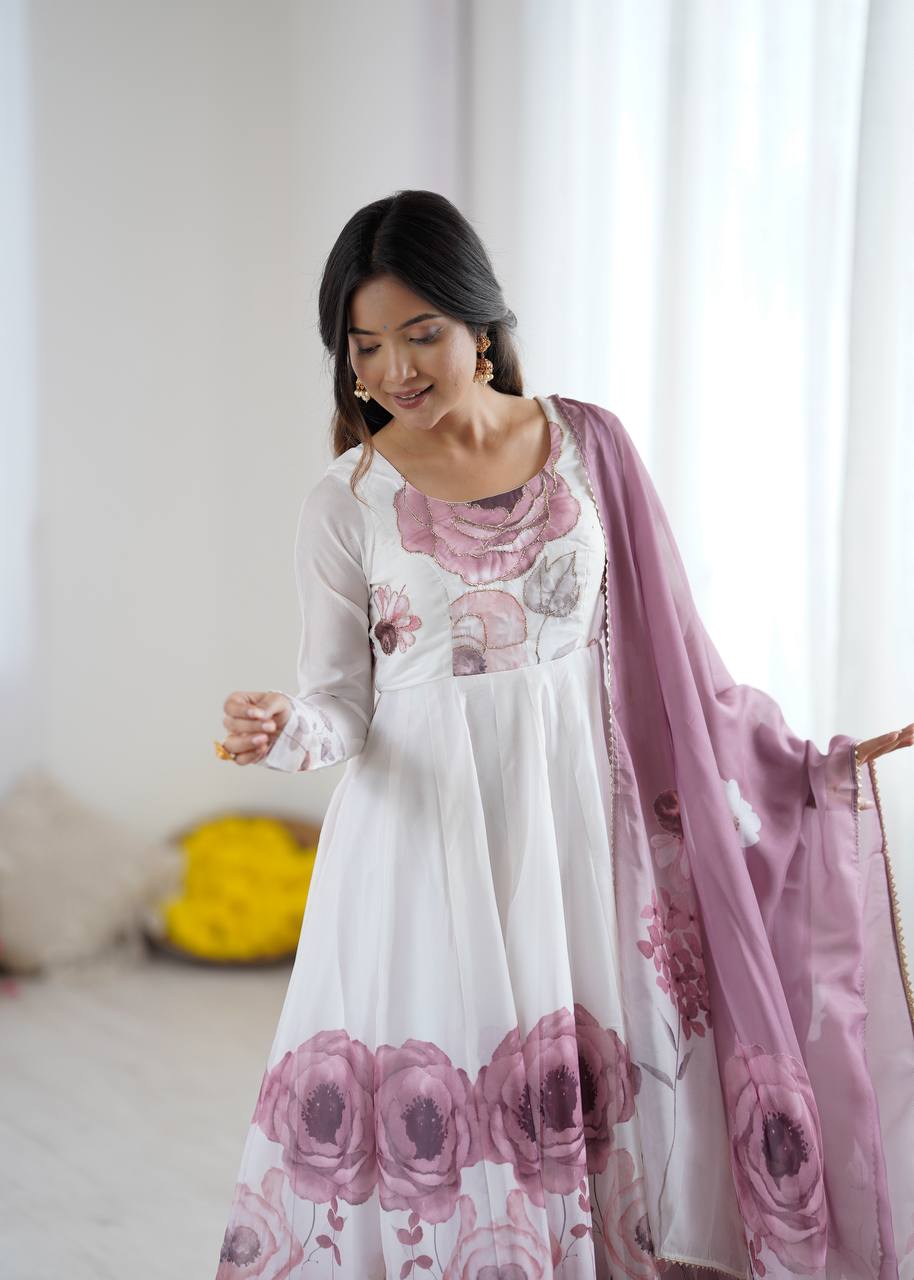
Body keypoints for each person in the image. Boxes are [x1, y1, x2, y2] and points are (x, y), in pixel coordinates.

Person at [212, 190, 914, 1280]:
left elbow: (681, 656)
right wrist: (279, 731)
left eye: (419, 333)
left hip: (580, 834)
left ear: (479, 323)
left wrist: (808, 766)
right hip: (425, 851)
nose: (394, 369)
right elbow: (339, 707)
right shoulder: (344, 500)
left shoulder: (590, 445)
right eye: (365, 345)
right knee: (446, 1109)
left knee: (589, 1094)